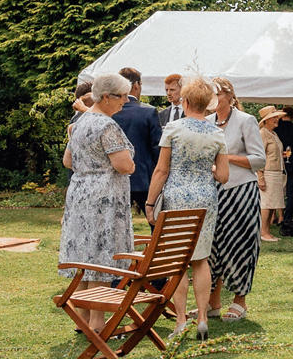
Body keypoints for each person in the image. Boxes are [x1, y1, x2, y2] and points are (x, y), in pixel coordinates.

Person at [145, 76, 230, 342]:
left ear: (186, 101)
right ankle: (202, 318)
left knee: (178, 262)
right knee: (201, 259)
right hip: (205, 198)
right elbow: (224, 176)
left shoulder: (173, 127)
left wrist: (150, 203)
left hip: (177, 198)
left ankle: (181, 320)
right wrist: (208, 168)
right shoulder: (217, 133)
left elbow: (161, 170)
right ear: (207, 104)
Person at [58, 73, 136, 336]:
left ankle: (83, 319)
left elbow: (68, 161)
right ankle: (98, 323)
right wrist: (131, 165)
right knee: (101, 258)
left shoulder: (79, 122)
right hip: (103, 196)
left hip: (79, 193)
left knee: (84, 256)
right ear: (106, 97)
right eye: (122, 96)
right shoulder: (107, 125)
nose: (126, 100)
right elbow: (123, 165)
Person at [206, 77, 266, 324]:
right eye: (210, 95)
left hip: (241, 192)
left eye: (218, 95)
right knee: (212, 248)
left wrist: (226, 157)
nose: (213, 100)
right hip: (213, 193)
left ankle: (240, 301)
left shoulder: (245, 120)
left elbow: (259, 160)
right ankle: (213, 302)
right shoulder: (206, 122)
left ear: (229, 96)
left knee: (240, 245)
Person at [110, 67, 161, 215]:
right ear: (136, 85)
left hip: (116, 177)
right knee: (155, 222)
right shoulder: (148, 112)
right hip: (144, 178)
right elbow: (156, 148)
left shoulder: (110, 113)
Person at [257, 106, 286, 242]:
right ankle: (263, 232)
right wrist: (260, 177)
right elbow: (259, 156)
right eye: (274, 117)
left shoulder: (273, 133)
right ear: (267, 119)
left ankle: (267, 231)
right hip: (268, 173)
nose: (277, 119)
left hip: (276, 172)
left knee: (272, 203)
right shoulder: (263, 133)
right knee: (266, 203)